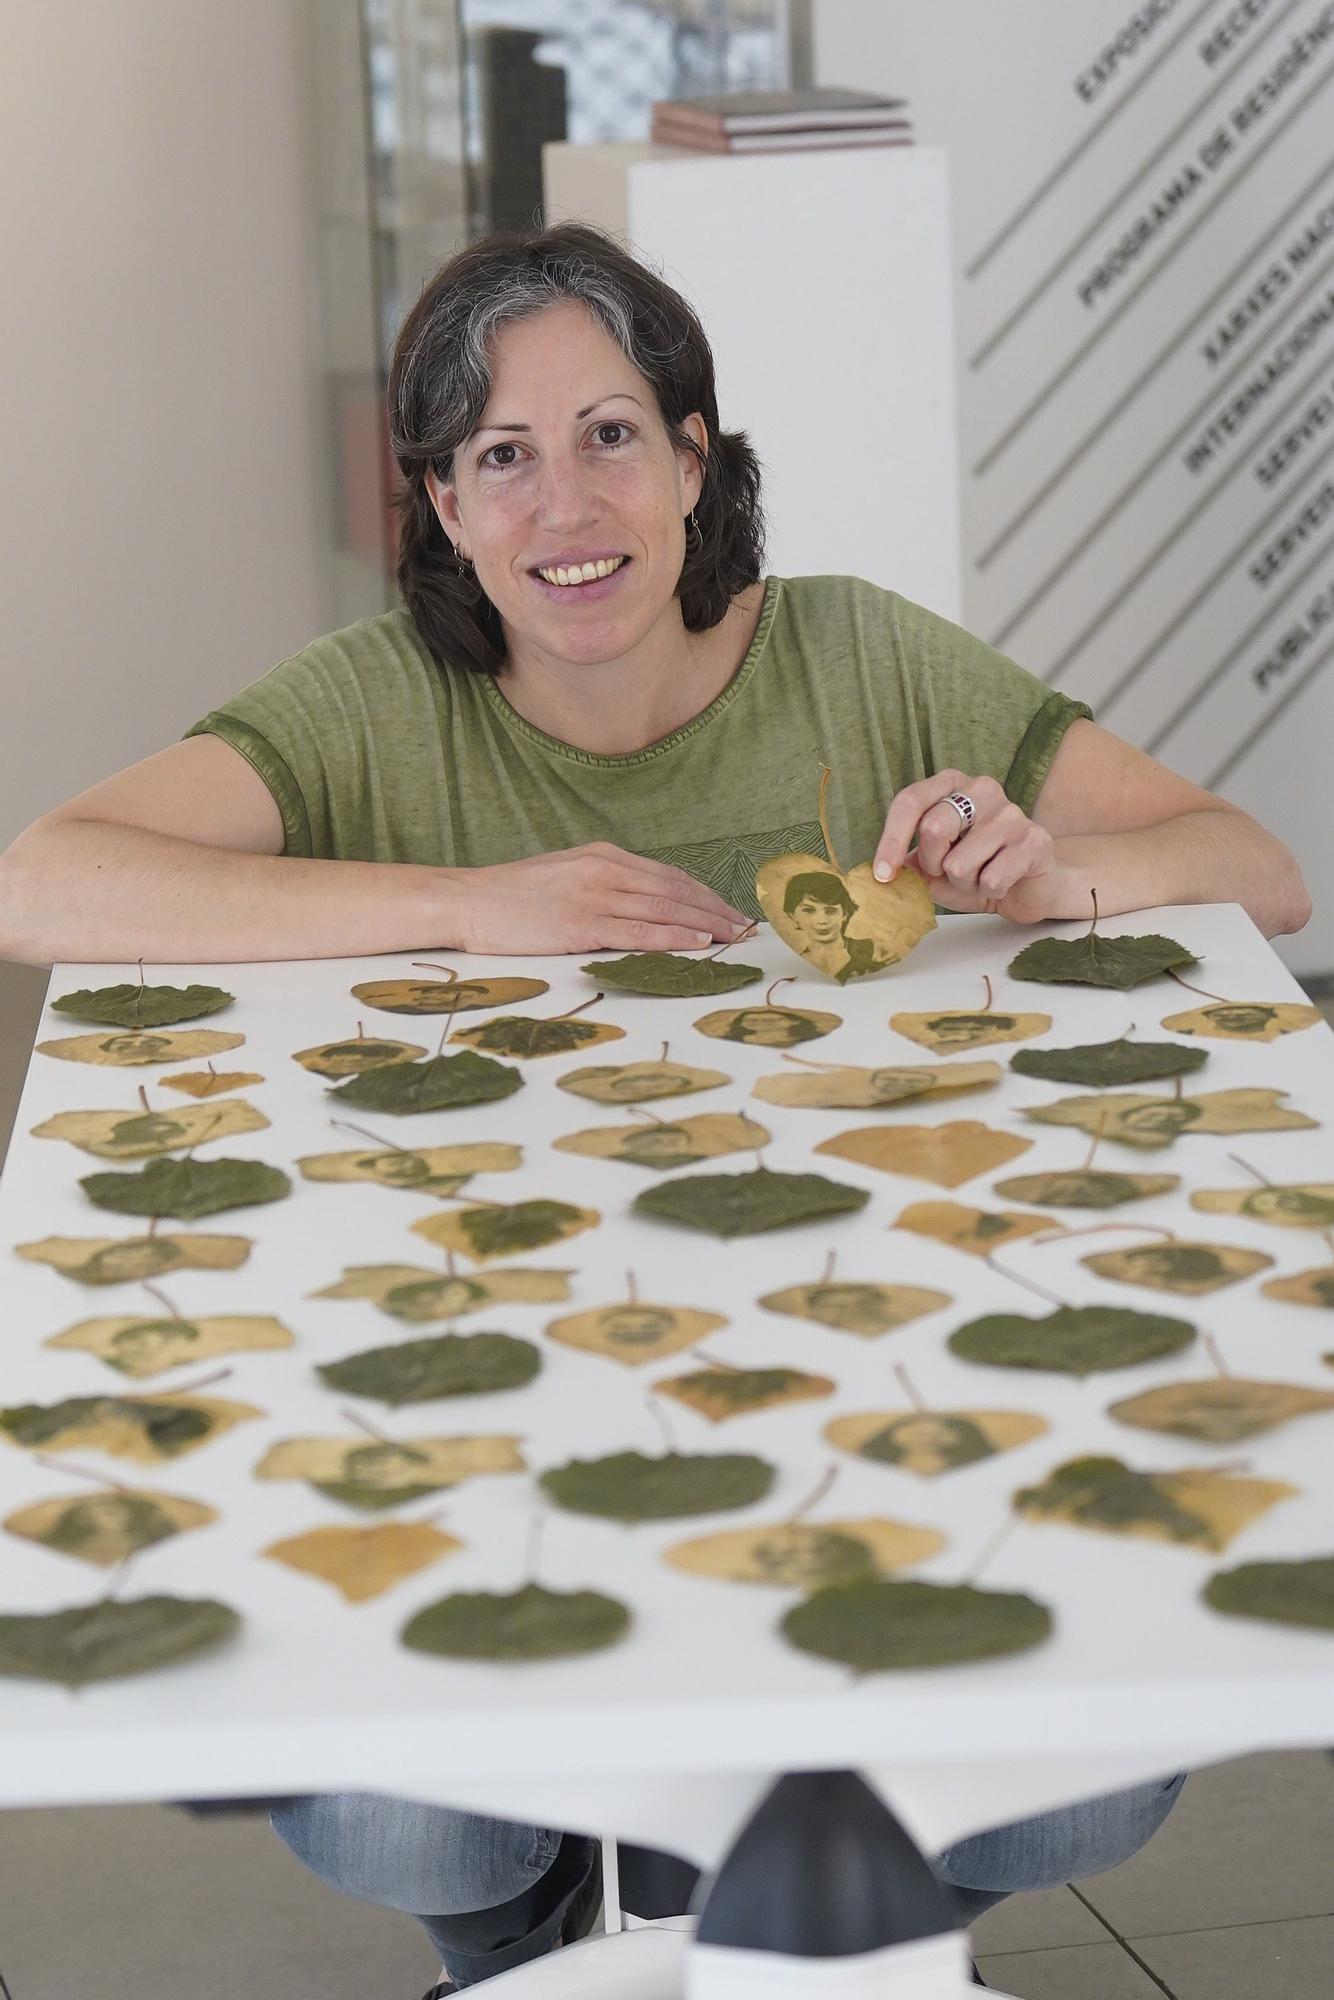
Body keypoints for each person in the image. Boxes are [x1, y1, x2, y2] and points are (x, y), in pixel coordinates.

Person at [0, 217, 1309, 1992]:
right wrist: (475, 899)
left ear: (696, 461)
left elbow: (1255, 868)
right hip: (481, 1374)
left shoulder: (861, 654)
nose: (565, 508)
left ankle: (828, 1916)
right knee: (406, 1818)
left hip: (859, 1361)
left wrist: (1048, 869)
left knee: (1077, 1784)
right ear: (444, 510)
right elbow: (43, 880)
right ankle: (531, 1933)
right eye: (501, 458)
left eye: (611, 435)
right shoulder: (376, 704)